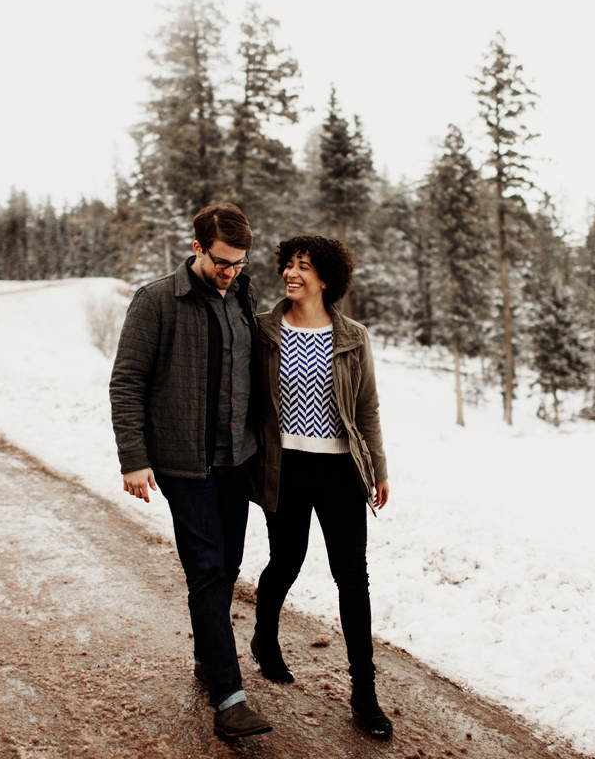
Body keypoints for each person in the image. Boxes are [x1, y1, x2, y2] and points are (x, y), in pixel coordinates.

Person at [109, 203, 272, 738]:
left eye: (241, 262)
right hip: (185, 463)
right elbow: (127, 382)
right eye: (223, 261)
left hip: (237, 458)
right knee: (206, 568)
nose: (232, 272)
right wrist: (134, 458)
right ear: (198, 247)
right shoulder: (156, 300)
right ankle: (230, 697)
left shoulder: (242, 295)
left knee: (227, 567)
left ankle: (209, 656)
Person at [250, 234, 394, 739]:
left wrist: (377, 467)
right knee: (286, 560)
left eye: (303, 266)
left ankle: (364, 691)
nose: (292, 273)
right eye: (288, 264)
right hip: (283, 468)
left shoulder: (352, 336)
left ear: (326, 277)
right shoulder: (264, 329)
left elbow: (367, 408)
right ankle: (264, 636)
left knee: (352, 577)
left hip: (340, 472)